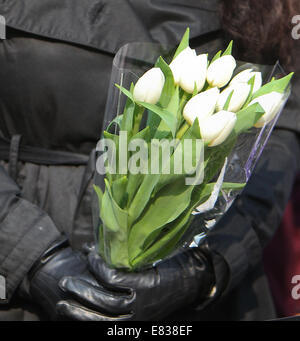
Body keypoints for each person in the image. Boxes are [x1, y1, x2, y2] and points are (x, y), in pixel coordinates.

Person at [0, 0, 299, 321]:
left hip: (190, 244)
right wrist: (30, 256)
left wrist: (204, 266)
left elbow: (277, 133)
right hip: (24, 246)